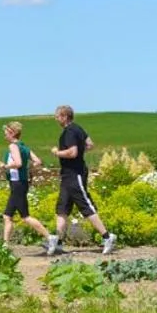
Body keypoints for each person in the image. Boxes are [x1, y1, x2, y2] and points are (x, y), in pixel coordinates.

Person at [50, 105, 114, 256]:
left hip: (74, 173)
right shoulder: (78, 129)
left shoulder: (70, 131)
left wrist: (57, 152)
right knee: (62, 207)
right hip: (68, 174)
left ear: (65, 116)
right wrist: (79, 149)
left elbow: (72, 153)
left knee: (84, 205)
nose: (56, 119)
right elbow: (90, 144)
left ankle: (107, 236)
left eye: (57, 116)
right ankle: (57, 242)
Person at [0, 121, 54, 250]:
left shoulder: (13, 146)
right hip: (20, 183)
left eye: (6, 133)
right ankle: (5, 245)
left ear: (12, 133)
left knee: (25, 216)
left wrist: (5, 166)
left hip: (17, 184)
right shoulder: (24, 147)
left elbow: (18, 163)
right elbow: (38, 161)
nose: (5, 135)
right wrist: (28, 168)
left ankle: (50, 238)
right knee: (7, 216)